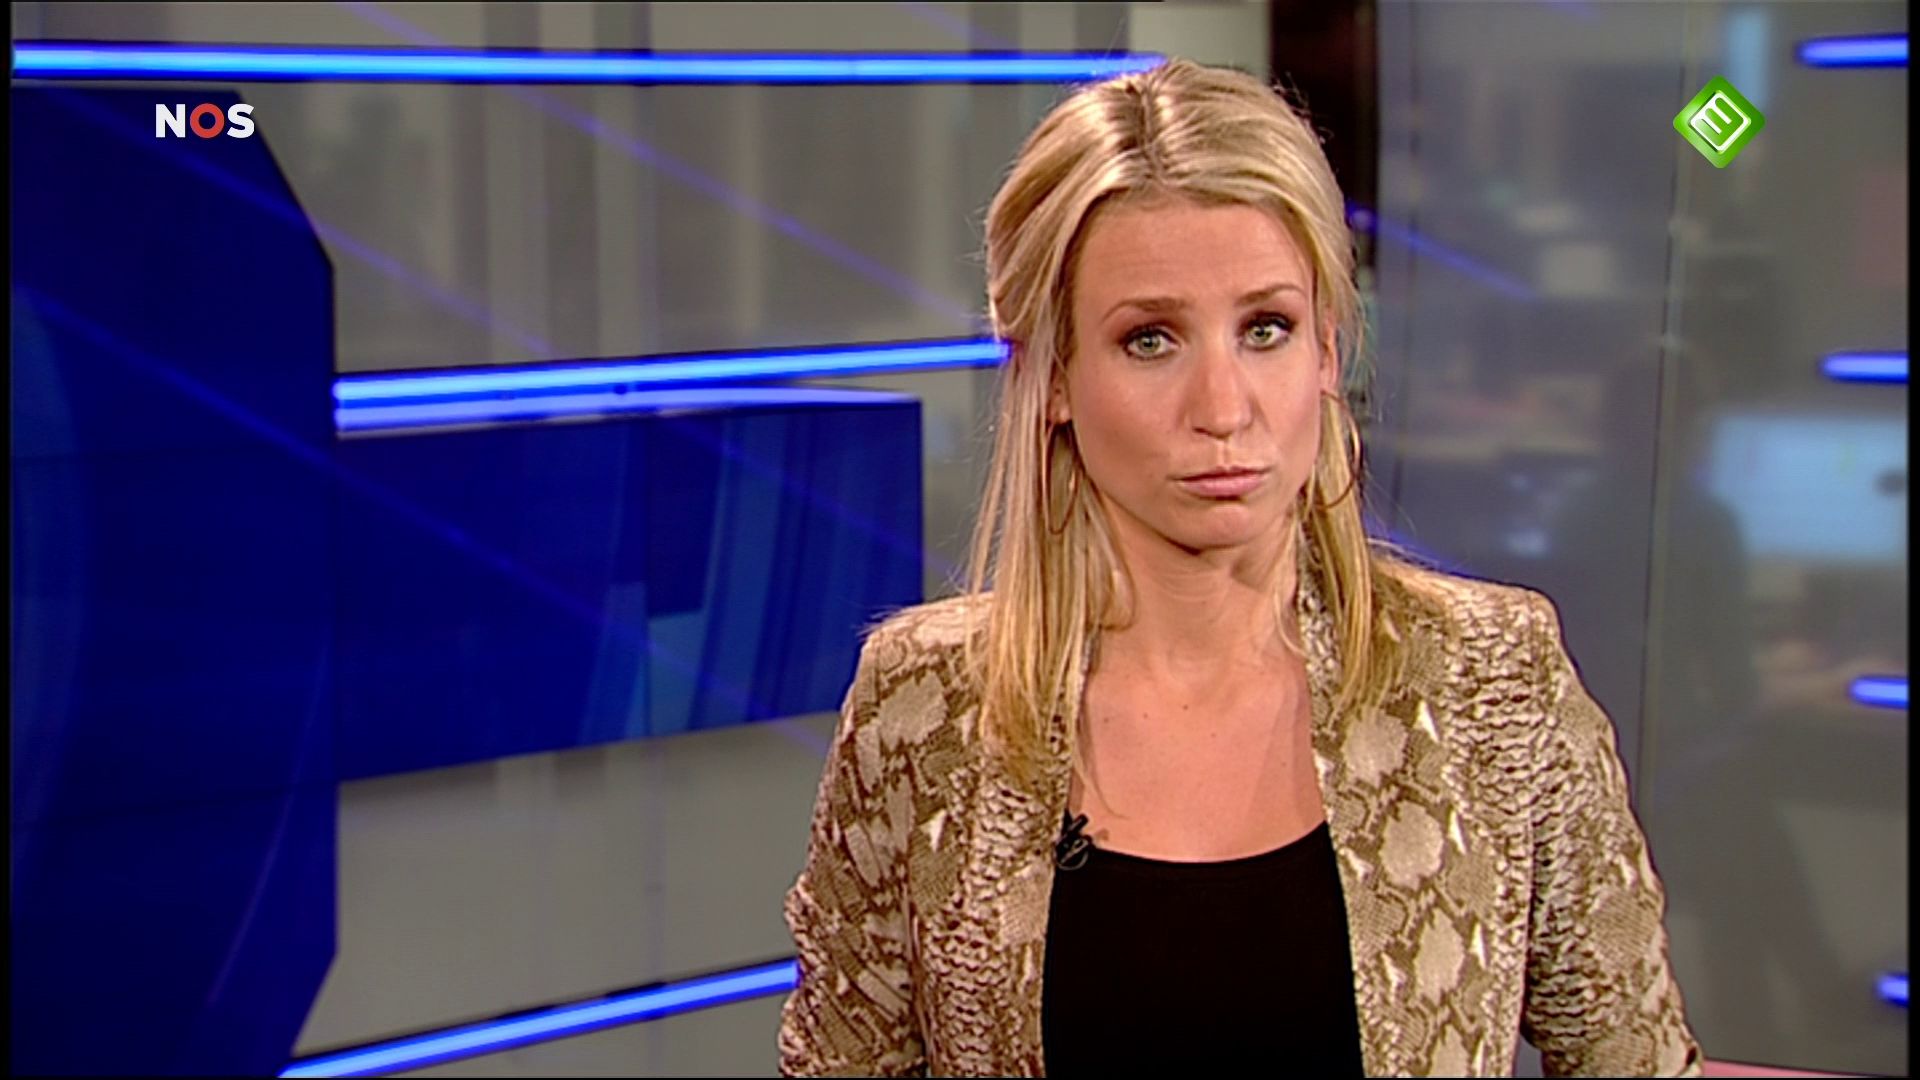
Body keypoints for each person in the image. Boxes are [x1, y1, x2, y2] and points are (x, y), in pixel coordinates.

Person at [777, 58, 1701, 1077]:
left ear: (1326, 353)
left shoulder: (1493, 683)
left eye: (1266, 329)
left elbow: (1637, 1061)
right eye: (1151, 340)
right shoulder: (924, 706)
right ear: (1052, 374)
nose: (1223, 408)